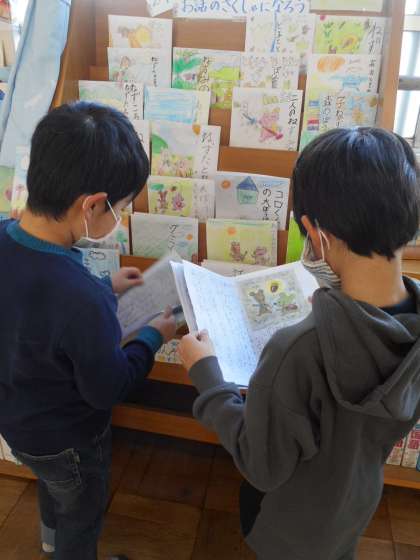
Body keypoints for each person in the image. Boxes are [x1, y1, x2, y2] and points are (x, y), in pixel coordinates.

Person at [179, 127, 420, 560]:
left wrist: (208, 379)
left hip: (287, 525)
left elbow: (261, 464)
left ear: (314, 232)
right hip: (353, 507)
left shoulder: (297, 349)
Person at [0, 101, 177, 560]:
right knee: (81, 510)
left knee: (52, 486)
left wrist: (105, 286)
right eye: (120, 207)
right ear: (93, 205)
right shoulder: (80, 299)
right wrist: (153, 336)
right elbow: (108, 388)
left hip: (17, 423)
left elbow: (34, 308)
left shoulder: (5, 236)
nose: (119, 217)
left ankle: (48, 541)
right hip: (72, 441)